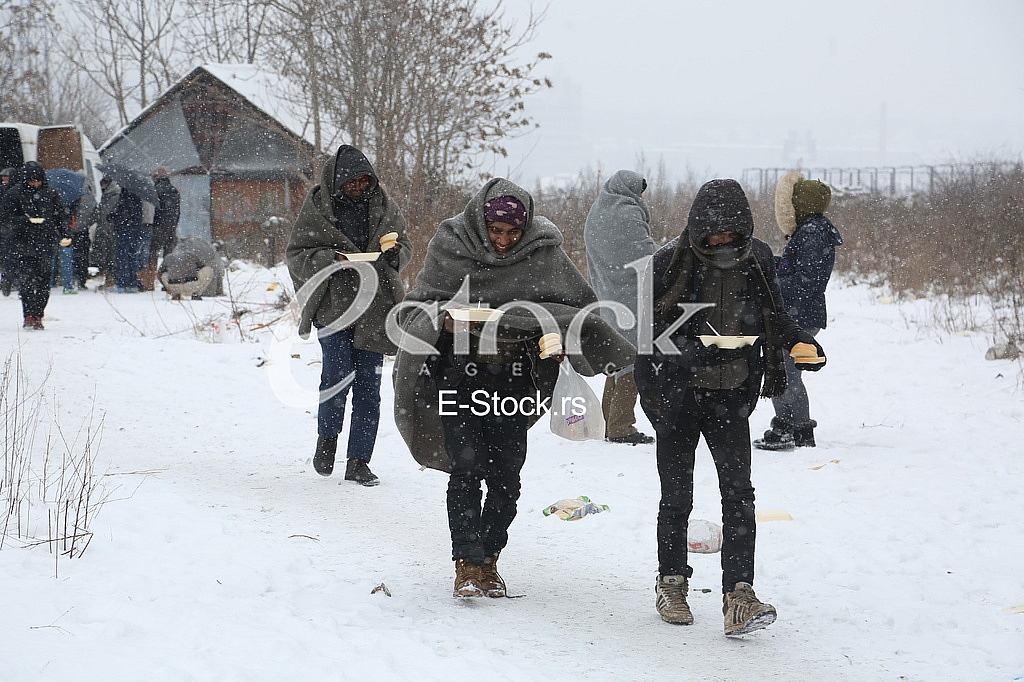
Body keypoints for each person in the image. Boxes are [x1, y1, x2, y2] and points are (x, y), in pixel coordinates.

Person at [393, 178, 634, 599]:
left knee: (506, 477)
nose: (504, 241)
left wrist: (557, 343)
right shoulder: (452, 245)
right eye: (496, 231)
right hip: (459, 375)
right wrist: (444, 321)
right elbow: (420, 305)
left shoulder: (544, 253)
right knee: (465, 469)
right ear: (480, 223)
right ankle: (466, 563)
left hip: (516, 380)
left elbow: (575, 310)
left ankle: (489, 560)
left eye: (513, 232)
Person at [634, 178, 825, 635]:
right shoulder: (667, 262)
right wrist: (690, 354)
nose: (721, 241)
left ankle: (739, 595)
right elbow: (647, 335)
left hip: (732, 394)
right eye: (712, 233)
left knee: (739, 496)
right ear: (697, 227)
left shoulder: (756, 258)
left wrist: (801, 342)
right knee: (676, 497)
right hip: (677, 397)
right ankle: (672, 583)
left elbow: (774, 314)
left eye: (731, 232)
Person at [286, 144, 412, 486]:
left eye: (364, 180)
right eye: (351, 182)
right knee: (336, 377)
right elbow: (297, 254)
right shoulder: (318, 209)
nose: (358, 187)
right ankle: (327, 442)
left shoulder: (385, 207)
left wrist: (394, 255)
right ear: (336, 182)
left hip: (375, 308)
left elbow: (405, 246)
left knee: (369, 388)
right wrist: (331, 260)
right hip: (334, 308)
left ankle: (359, 461)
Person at [754, 171, 843, 450]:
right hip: (801, 311)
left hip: (799, 313)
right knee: (787, 370)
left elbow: (808, 279)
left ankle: (797, 429)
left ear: (801, 203)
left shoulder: (813, 232)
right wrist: (773, 263)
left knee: (786, 370)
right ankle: (789, 426)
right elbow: (800, 269)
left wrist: (772, 284)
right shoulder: (811, 230)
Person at [584, 169, 657, 445]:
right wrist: (669, 256)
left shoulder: (598, 210)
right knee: (635, 359)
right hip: (631, 295)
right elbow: (644, 253)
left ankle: (608, 422)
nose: (640, 196)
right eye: (638, 191)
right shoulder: (626, 212)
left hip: (606, 291)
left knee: (618, 358)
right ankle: (621, 426)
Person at [0, 162, 69, 329]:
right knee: (27, 282)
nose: (35, 184)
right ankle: (29, 314)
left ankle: (38, 314)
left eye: (37, 181)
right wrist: (24, 221)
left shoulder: (51, 194)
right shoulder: (13, 195)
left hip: (45, 243)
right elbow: (5, 219)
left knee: (44, 282)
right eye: (31, 181)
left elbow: (61, 215)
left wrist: (65, 233)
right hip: (22, 244)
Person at [146, 166, 180, 291]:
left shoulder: (155, 190)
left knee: (152, 254)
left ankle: (150, 280)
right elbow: (177, 211)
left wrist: (152, 224)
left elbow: (153, 211)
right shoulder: (174, 190)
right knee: (169, 256)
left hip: (158, 227)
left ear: (156, 178)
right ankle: (168, 282)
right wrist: (174, 224)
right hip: (171, 227)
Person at [90, 176, 120, 288]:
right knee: (106, 255)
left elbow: (105, 212)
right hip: (105, 228)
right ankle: (109, 278)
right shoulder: (108, 194)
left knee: (109, 255)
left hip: (108, 229)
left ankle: (110, 279)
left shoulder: (113, 195)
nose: (102, 187)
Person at [0, 167, 16, 296]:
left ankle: (8, 279)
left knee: (9, 256)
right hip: (8, 227)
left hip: (10, 227)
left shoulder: (11, 191)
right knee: (8, 256)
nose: (4, 180)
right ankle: (8, 279)